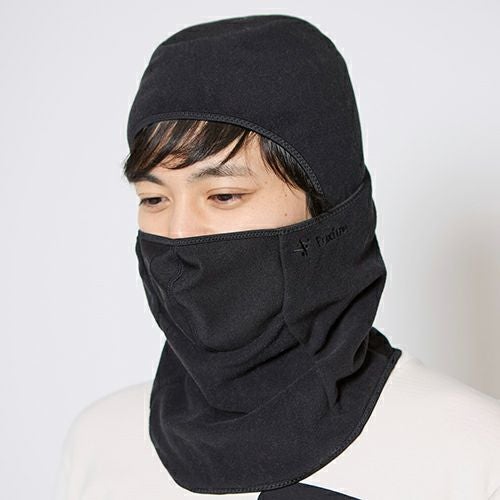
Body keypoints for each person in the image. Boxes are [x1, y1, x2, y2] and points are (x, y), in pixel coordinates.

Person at [54, 14, 500, 500]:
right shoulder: (99, 444)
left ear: (329, 211)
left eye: (224, 195)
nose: (178, 233)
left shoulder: (472, 456)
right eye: (153, 199)